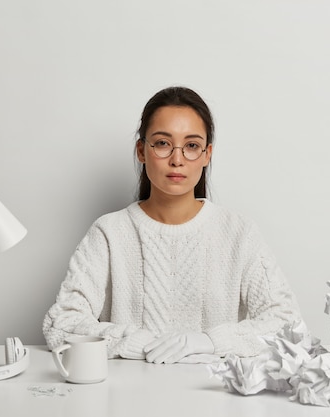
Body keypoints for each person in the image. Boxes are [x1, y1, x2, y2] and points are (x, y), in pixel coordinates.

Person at [43, 86, 302, 364]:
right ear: (141, 151)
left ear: (207, 154)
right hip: (126, 399)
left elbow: (290, 326)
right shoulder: (109, 233)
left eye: (191, 146)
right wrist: (133, 340)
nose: (177, 160)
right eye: (163, 143)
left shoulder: (239, 233)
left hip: (216, 401)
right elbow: (60, 323)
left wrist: (210, 341)